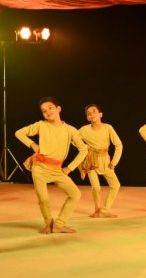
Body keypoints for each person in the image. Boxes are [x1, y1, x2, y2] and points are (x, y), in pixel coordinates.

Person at [16, 97, 88, 234]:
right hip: (40, 168)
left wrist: (69, 168)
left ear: (58, 109)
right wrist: (32, 144)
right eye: (44, 111)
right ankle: (49, 224)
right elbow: (19, 133)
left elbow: (83, 149)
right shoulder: (41, 125)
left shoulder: (71, 130)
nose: (47, 112)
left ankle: (59, 224)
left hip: (57, 170)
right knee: (43, 199)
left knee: (75, 194)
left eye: (50, 108)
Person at [78, 104, 122, 218]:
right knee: (96, 187)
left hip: (105, 161)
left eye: (94, 111)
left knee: (115, 185)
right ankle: (97, 209)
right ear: (87, 118)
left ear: (100, 114)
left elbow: (118, 145)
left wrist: (114, 162)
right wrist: (85, 147)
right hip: (90, 161)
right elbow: (74, 140)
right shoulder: (83, 130)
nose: (92, 114)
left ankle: (105, 209)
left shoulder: (108, 128)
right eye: (89, 113)